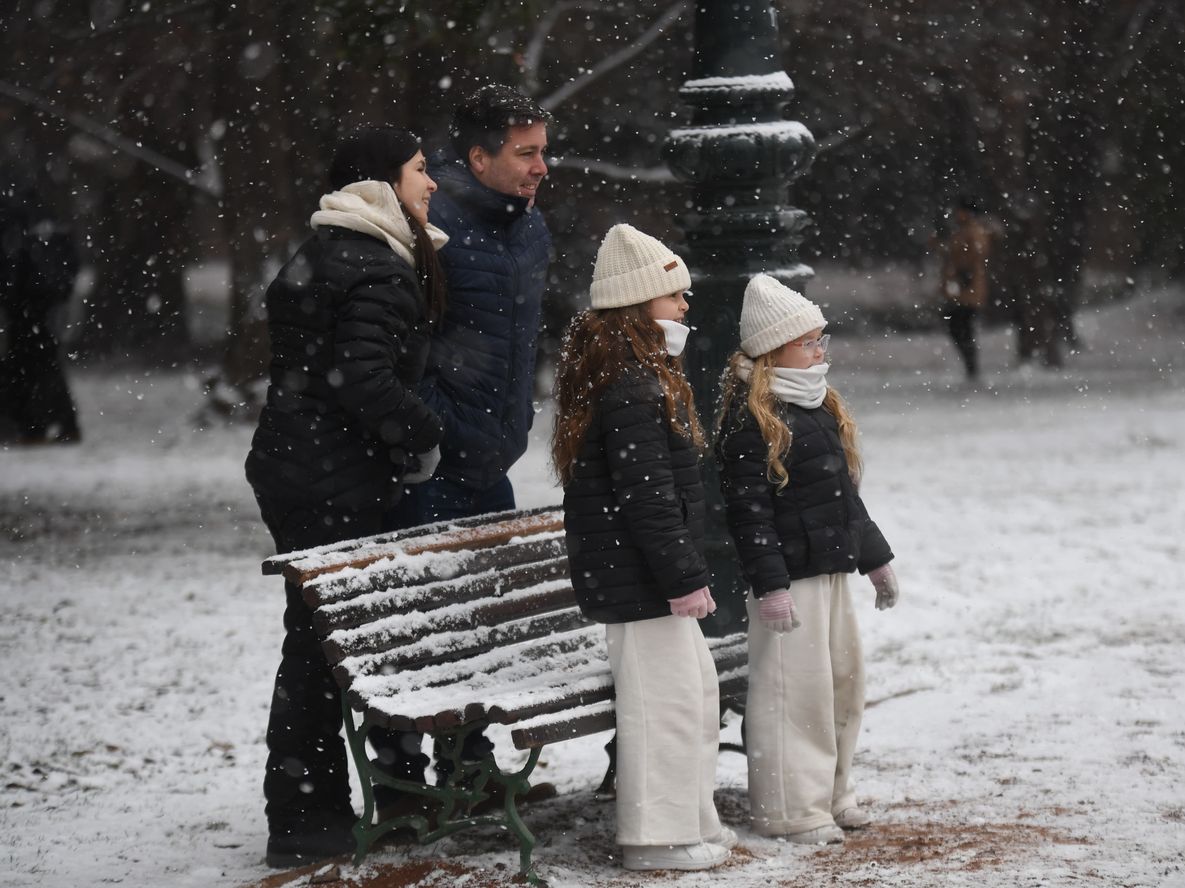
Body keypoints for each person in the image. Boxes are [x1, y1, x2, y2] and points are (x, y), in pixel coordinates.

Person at [244, 126, 448, 868]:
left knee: (318, 636)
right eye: (421, 170)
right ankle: (304, 817)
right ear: (382, 182)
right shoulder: (377, 264)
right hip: (328, 473)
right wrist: (425, 433)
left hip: (295, 462)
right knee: (318, 643)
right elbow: (362, 379)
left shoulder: (327, 249)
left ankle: (317, 806)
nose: (431, 184)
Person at [551, 224, 734, 872]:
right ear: (638, 302)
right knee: (664, 706)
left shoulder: (638, 372)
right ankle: (653, 838)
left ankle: (685, 821)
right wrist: (682, 576)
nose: (686, 306)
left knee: (690, 695)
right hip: (641, 579)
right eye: (674, 295)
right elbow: (646, 494)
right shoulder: (631, 383)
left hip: (642, 574)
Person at [714, 273, 899, 845]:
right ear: (774, 350)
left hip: (831, 570)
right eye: (808, 342)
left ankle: (831, 791)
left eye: (823, 340)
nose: (820, 351)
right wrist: (770, 586)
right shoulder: (753, 420)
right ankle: (792, 806)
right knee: (793, 693)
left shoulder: (818, 407)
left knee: (842, 682)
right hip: (789, 583)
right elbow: (749, 516)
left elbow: (843, 497)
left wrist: (875, 558)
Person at [386, 83, 552, 528]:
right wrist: (437, 430)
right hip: (431, 469)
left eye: (542, 152)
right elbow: (396, 346)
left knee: (499, 594)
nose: (542, 168)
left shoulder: (530, 225)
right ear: (479, 158)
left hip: (494, 462)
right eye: (526, 154)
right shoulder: (427, 225)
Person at [0, 167, 81, 444]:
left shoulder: (15, 200)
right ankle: (39, 423)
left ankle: (34, 424)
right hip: (34, 289)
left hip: (28, 289)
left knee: (30, 356)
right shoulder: (24, 196)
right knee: (34, 355)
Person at [934, 194, 996, 381]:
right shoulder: (964, 231)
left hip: (967, 288)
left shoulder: (974, 231)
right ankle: (971, 367)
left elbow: (972, 255)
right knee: (959, 327)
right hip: (962, 288)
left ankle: (972, 368)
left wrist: (962, 269)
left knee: (961, 327)